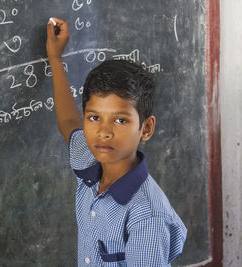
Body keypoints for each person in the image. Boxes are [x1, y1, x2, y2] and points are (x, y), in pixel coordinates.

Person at [46, 17, 187, 266]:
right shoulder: (89, 163)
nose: (104, 132)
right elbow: (69, 123)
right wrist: (55, 58)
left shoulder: (147, 216)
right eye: (94, 117)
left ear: (146, 128)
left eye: (120, 120)